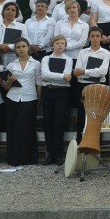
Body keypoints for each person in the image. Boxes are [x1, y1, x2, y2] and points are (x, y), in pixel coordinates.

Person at [3, 37, 42, 166]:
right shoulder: (11, 65)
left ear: (28, 47)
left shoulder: (36, 64)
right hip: (12, 98)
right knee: (12, 127)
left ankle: (28, 158)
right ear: (15, 49)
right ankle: (14, 158)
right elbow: (5, 86)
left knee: (27, 127)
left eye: (23, 46)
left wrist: (38, 100)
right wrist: (10, 80)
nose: (21, 49)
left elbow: (39, 83)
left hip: (30, 98)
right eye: (18, 47)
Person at [73, 27, 110, 144]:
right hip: (83, 86)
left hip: (98, 85)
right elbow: (77, 72)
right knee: (82, 115)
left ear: (101, 38)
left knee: (97, 116)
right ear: (89, 38)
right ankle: (80, 145)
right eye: (92, 36)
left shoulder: (106, 53)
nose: (95, 38)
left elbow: (103, 72)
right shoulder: (82, 52)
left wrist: (85, 71)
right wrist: (90, 72)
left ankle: (95, 145)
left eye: (97, 36)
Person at [40, 35, 73, 165]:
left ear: (65, 46)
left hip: (62, 92)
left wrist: (57, 77)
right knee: (48, 122)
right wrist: (62, 76)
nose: (60, 45)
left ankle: (58, 154)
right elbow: (45, 74)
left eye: (62, 43)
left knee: (59, 122)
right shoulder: (46, 58)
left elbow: (68, 77)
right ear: (52, 45)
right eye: (57, 43)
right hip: (48, 91)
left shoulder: (68, 60)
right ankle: (50, 154)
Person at [0, 2, 29, 66]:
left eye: (13, 10)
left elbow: (25, 42)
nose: (10, 11)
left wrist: (9, 47)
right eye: (8, 9)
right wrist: (0, 46)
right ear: (3, 11)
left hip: (14, 59)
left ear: (16, 13)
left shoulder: (21, 26)